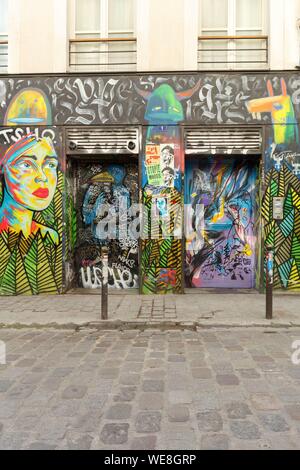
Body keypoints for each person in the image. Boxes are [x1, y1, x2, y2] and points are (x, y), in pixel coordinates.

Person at [0, 133, 59, 243]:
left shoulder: (50, 237)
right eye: (26, 165)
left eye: (50, 165)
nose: (42, 177)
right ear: (3, 169)